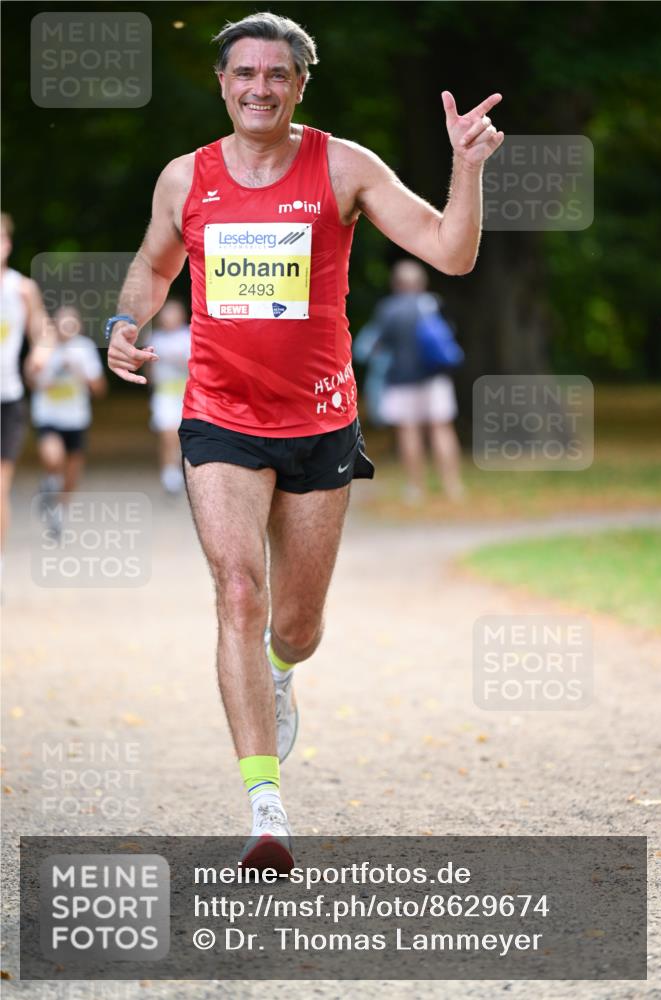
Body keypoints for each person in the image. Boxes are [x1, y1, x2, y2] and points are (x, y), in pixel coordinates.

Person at [106, 11, 503, 869]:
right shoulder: (186, 178)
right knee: (237, 592)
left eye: (276, 74)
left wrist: (466, 169)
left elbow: (450, 252)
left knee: (296, 624)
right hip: (220, 416)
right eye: (244, 73)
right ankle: (265, 809)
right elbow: (153, 265)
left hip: (320, 422)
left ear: (298, 84)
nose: (259, 87)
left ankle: (280, 671)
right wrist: (123, 322)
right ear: (222, 83)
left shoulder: (344, 167)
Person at [373, 259, 465, 503]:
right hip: (435, 377)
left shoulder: (388, 309)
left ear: (396, 284)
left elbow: (380, 344)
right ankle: (453, 486)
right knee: (442, 428)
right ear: (421, 283)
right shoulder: (432, 303)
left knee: (409, 431)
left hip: (401, 379)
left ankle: (415, 488)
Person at [0, 212, 53, 560]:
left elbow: (43, 332)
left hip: (7, 399)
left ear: (7, 244)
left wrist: (40, 353)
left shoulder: (21, 289)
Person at [30, 305, 106, 534]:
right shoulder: (44, 346)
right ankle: (49, 484)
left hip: (76, 419)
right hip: (48, 416)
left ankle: (59, 512)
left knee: (72, 473)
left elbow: (99, 389)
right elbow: (30, 378)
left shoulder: (85, 348)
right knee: (53, 458)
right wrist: (41, 376)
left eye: (71, 322)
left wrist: (80, 373)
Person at [145, 298, 191, 495]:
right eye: (166, 313)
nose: (169, 317)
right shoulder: (155, 338)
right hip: (164, 394)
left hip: (186, 394)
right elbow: (149, 368)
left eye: (173, 313)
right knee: (167, 433)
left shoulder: (189, 336)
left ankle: (181, 468)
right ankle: (169, 473)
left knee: (182, 436)